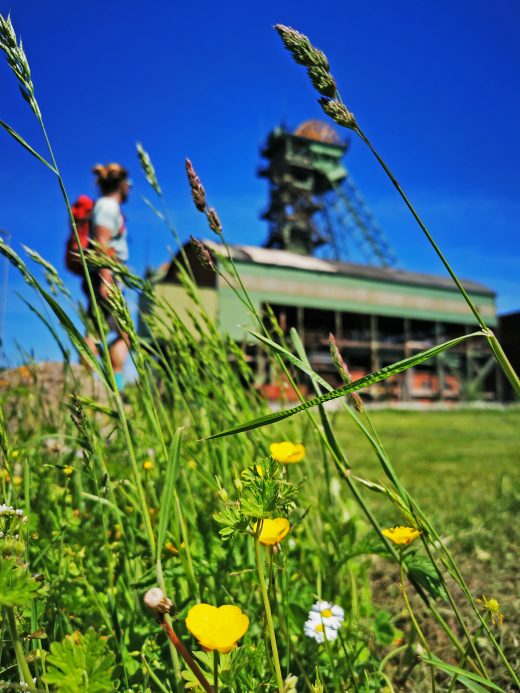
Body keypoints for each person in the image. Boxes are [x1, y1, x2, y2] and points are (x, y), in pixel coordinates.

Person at [83, 163, 131, 390]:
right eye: (128, 185)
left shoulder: (107, 207)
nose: (130, 189)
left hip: (107, 276)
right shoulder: (107, 207)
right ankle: (90, 385)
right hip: (105, 278)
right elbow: (102, 242)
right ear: (122, 185)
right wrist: (106, 280)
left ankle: (112, 385)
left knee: (115, 332)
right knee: (97, 331)